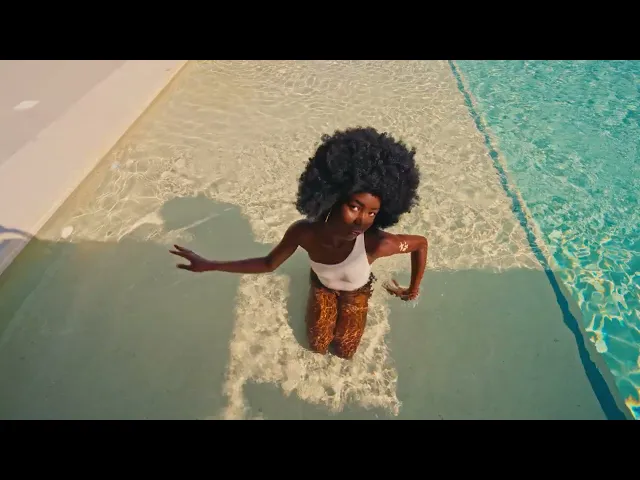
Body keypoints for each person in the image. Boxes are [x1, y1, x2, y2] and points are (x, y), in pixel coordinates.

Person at [170, 126, 428, 359]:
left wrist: (413, 289)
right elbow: (268, 263)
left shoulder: (376, 244)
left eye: (372, 213)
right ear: (333, 198)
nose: (362, 220)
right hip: (322, 286)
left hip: (357, 291)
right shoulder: (305, 233)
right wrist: (210, 265)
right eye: (354, 207)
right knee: (317, 345)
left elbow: (420, 244)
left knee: (345, 351)